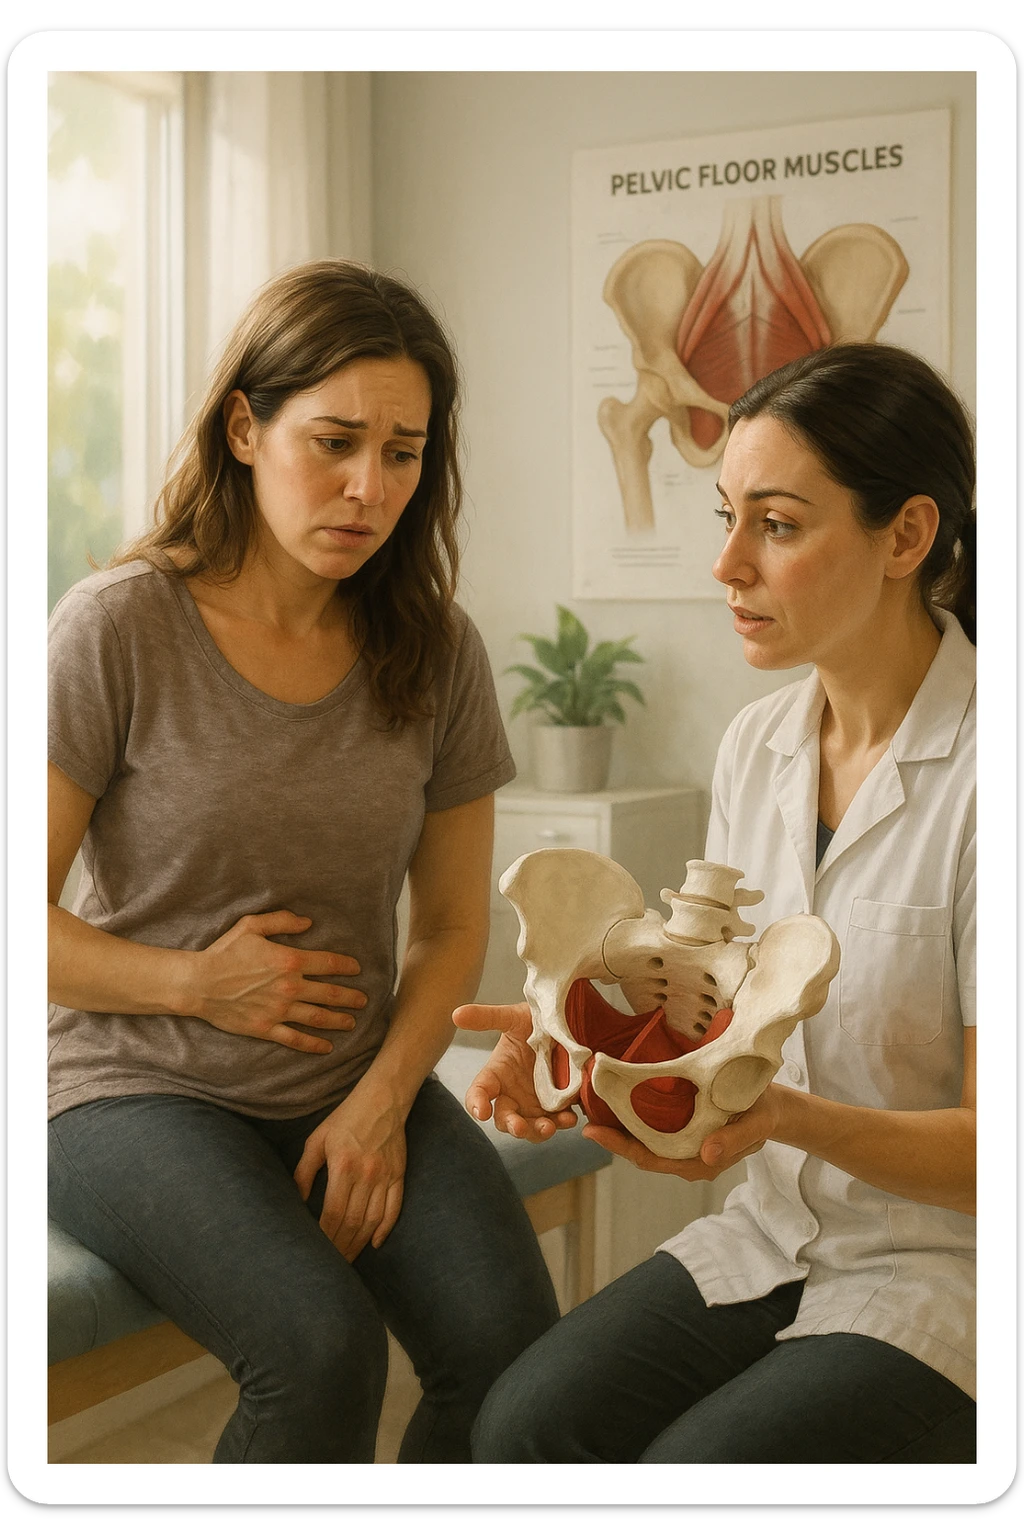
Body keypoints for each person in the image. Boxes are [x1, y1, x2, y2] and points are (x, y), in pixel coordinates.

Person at [47, 259, 560, 1464]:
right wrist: (194, 984)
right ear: (244, 426)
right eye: (331, 441)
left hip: (349, 1078)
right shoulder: (120, 625)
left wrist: (383, 1102)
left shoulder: (435, 649)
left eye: (402, 451)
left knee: (512, 1361)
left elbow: (445, 930)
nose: (366, 488)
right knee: (319, 1351)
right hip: (135, 1090)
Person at [458, 342, 977, 1464]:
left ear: (907, 536)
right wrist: (574, 1043)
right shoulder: (757, 745)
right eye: (724, 517)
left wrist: (782, 1117)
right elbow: (718, 1013)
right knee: (519, 1428)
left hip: (954, 1272)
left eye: (777, 526)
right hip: (775, 1232)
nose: (726, 564)